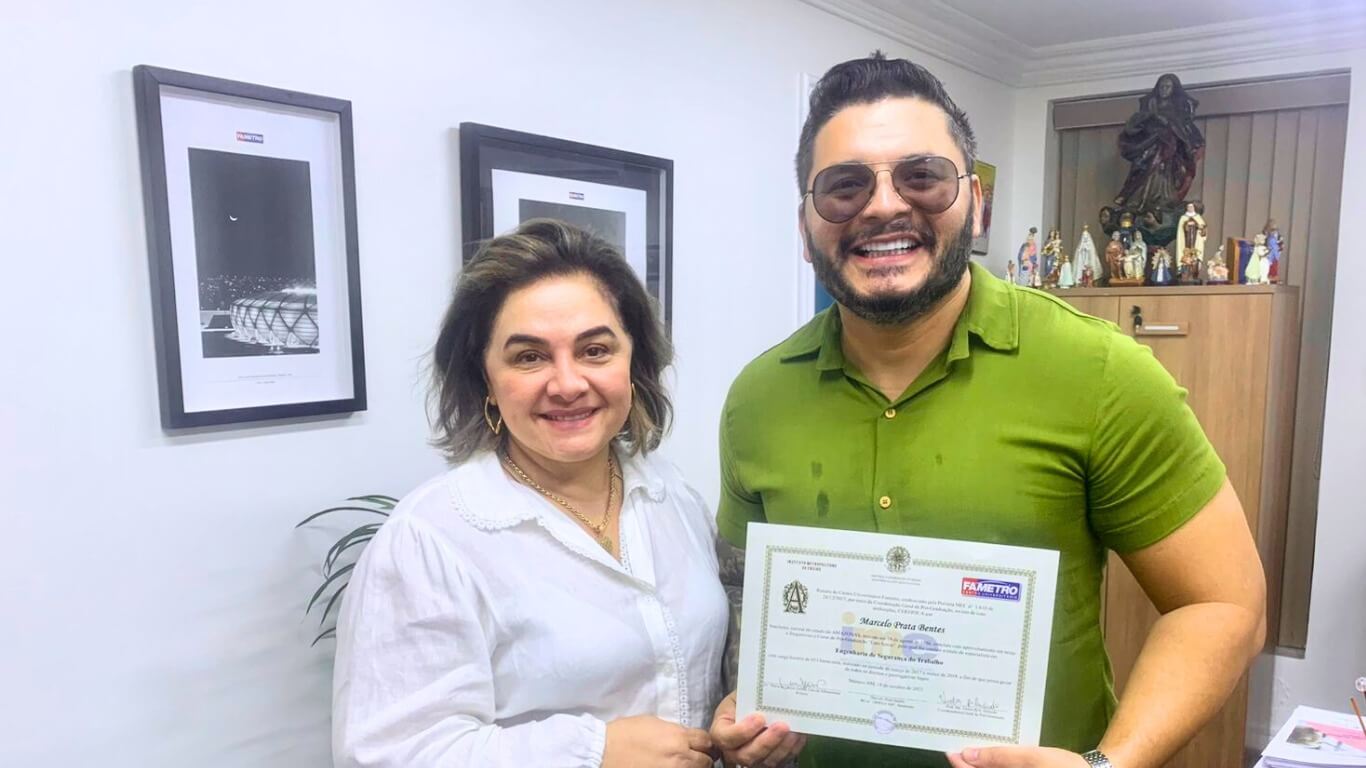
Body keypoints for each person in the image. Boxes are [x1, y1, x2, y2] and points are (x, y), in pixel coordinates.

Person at [711, 53, 1266, 768]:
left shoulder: (1099, 372)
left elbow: (1223, 605)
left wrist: (1108, 765)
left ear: (974, 201)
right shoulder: (756, 400)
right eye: (845, 186)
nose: (883, 206)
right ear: (805, 223)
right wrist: (744, 711)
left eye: (921, 176)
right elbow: (757, 609)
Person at [333, 219, 728, 767]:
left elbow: (688, 670)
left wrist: (727, 726)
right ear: (485, 380)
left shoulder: (671, 494)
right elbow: (387, 754)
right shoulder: (429, 540)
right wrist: (592, 754)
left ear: (633, 363)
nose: (567, 384)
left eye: (595, 350)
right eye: (529, 357)